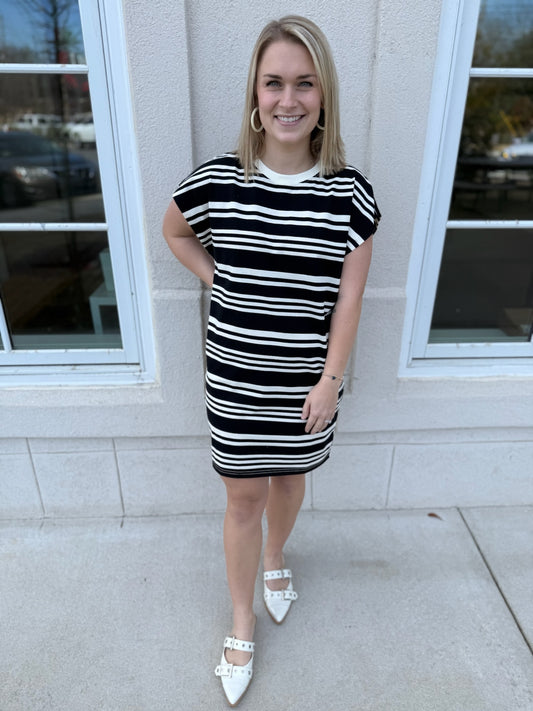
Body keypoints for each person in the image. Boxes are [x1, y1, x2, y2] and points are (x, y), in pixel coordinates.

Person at [162, 15, 380, 707]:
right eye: (274, 82)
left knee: (288, 481)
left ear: (324, 95)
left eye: (304, 84)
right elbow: (172, 229)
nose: (289, 99)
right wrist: (216, 277)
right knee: (243, 494)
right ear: (255, 93)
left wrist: (330, 379)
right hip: (235, 377)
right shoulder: (218, 182)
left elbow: (347, 303)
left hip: (307, 382)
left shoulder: (350, 194)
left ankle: (277, 557)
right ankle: (239, 616)